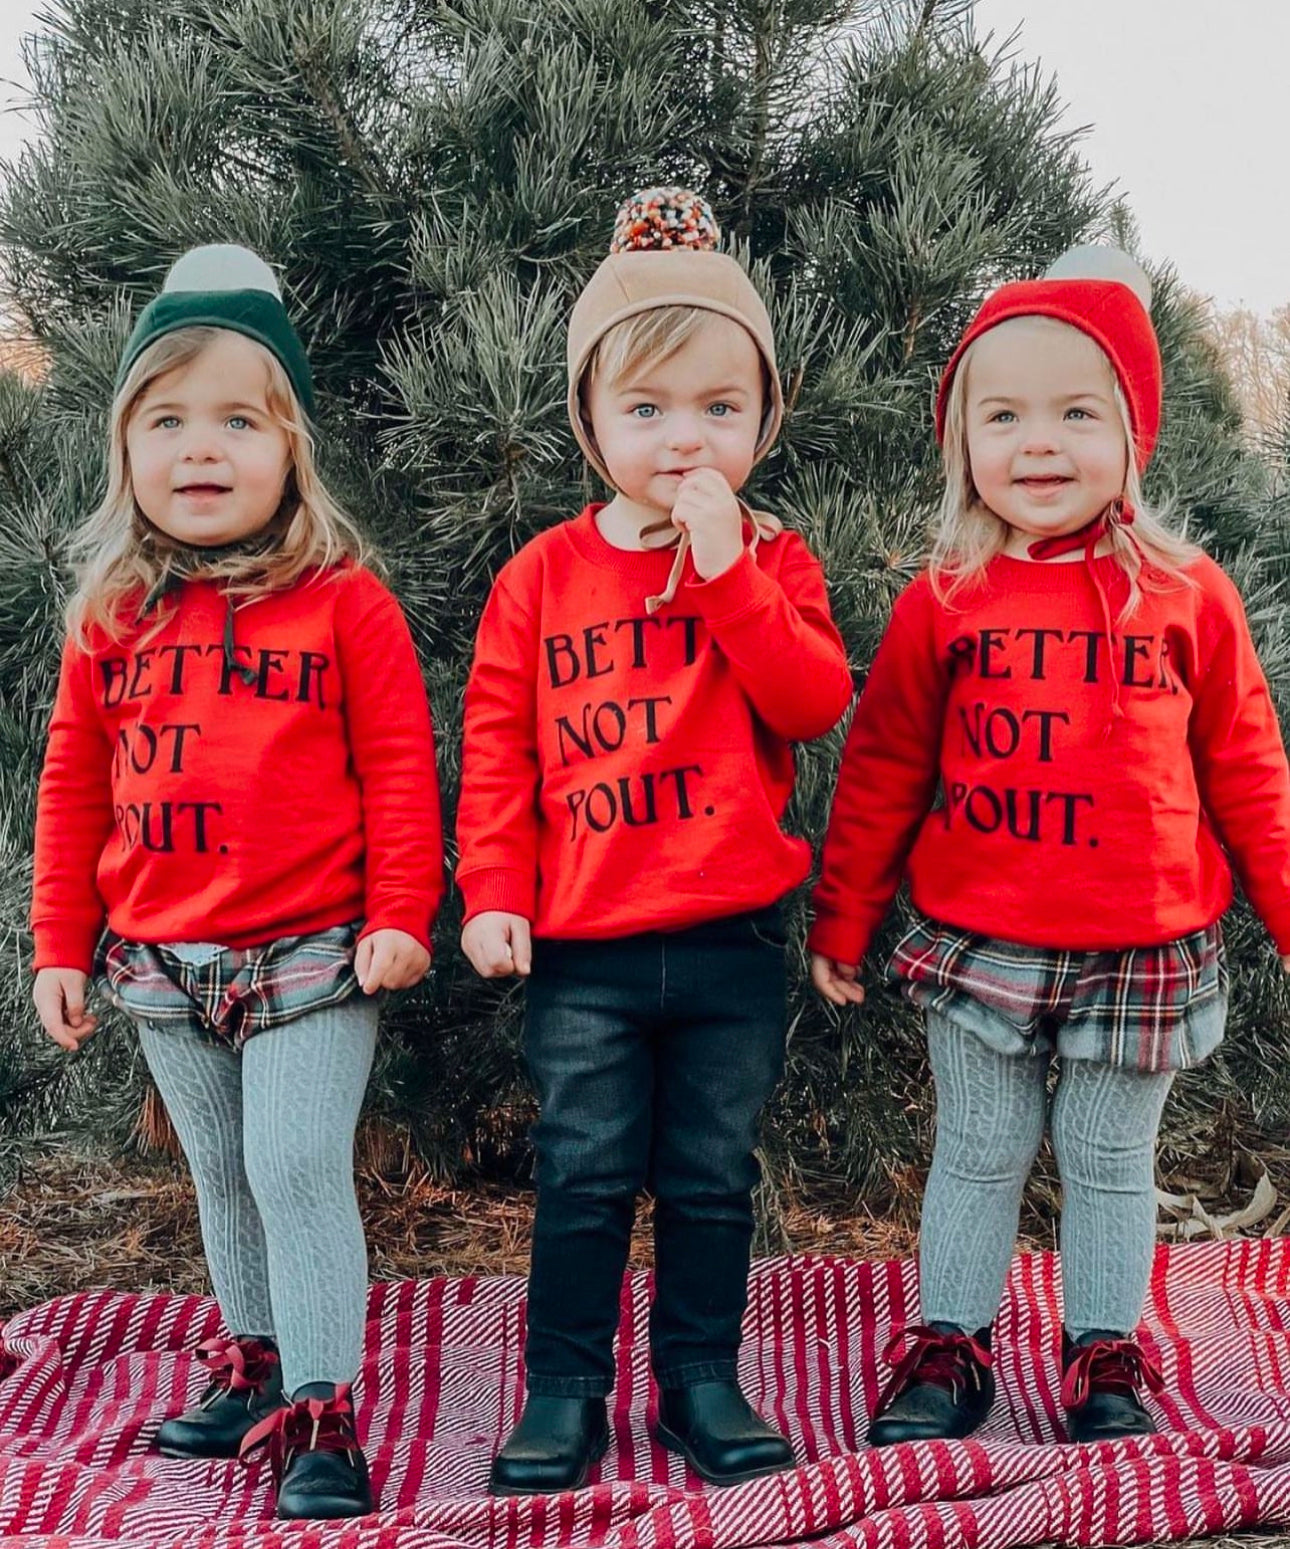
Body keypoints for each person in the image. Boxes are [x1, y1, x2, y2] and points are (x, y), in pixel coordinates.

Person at [809, 246, 1290, 1446]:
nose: (1038, 443)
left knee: (1106, 1153)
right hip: (980, 938)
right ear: (963, 437)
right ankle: (951, 1343)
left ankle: (1102, 1353)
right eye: (1003, 413)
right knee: (977, 1147)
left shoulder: (1186, 593)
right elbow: (881, 768)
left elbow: (1248, 771)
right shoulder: (948, 595)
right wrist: (845, 911)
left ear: (1133, 432)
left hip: (1144, 941)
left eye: (1077, 414)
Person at [31, 244, 443, 1518]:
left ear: (289, 449)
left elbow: (399, 769)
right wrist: (60, 941)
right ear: (126, 450)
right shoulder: (112, 614)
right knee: (221, 1171)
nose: (200, 450)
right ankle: (255, 1360)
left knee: (295, 1164)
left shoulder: (342, 605)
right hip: (160, 958)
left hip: (314, 951)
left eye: (235, 422)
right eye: (167, 421)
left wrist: (400, 916)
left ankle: (324, 1406)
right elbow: (70, 787)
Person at [457, 189, 853, 1492]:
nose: (685, 437)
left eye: (718, 409)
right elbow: (500, 748)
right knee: (579, 1177)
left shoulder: (773, 558)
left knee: (705, 1177)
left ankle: (699, 1378)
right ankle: (563, 1392)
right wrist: (492, 891)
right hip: (585, 946)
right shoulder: (541, 578)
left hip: (729, 933)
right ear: (589, 424)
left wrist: (728, 565)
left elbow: (811, 698)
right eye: (646, 410)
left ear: (761, 419)